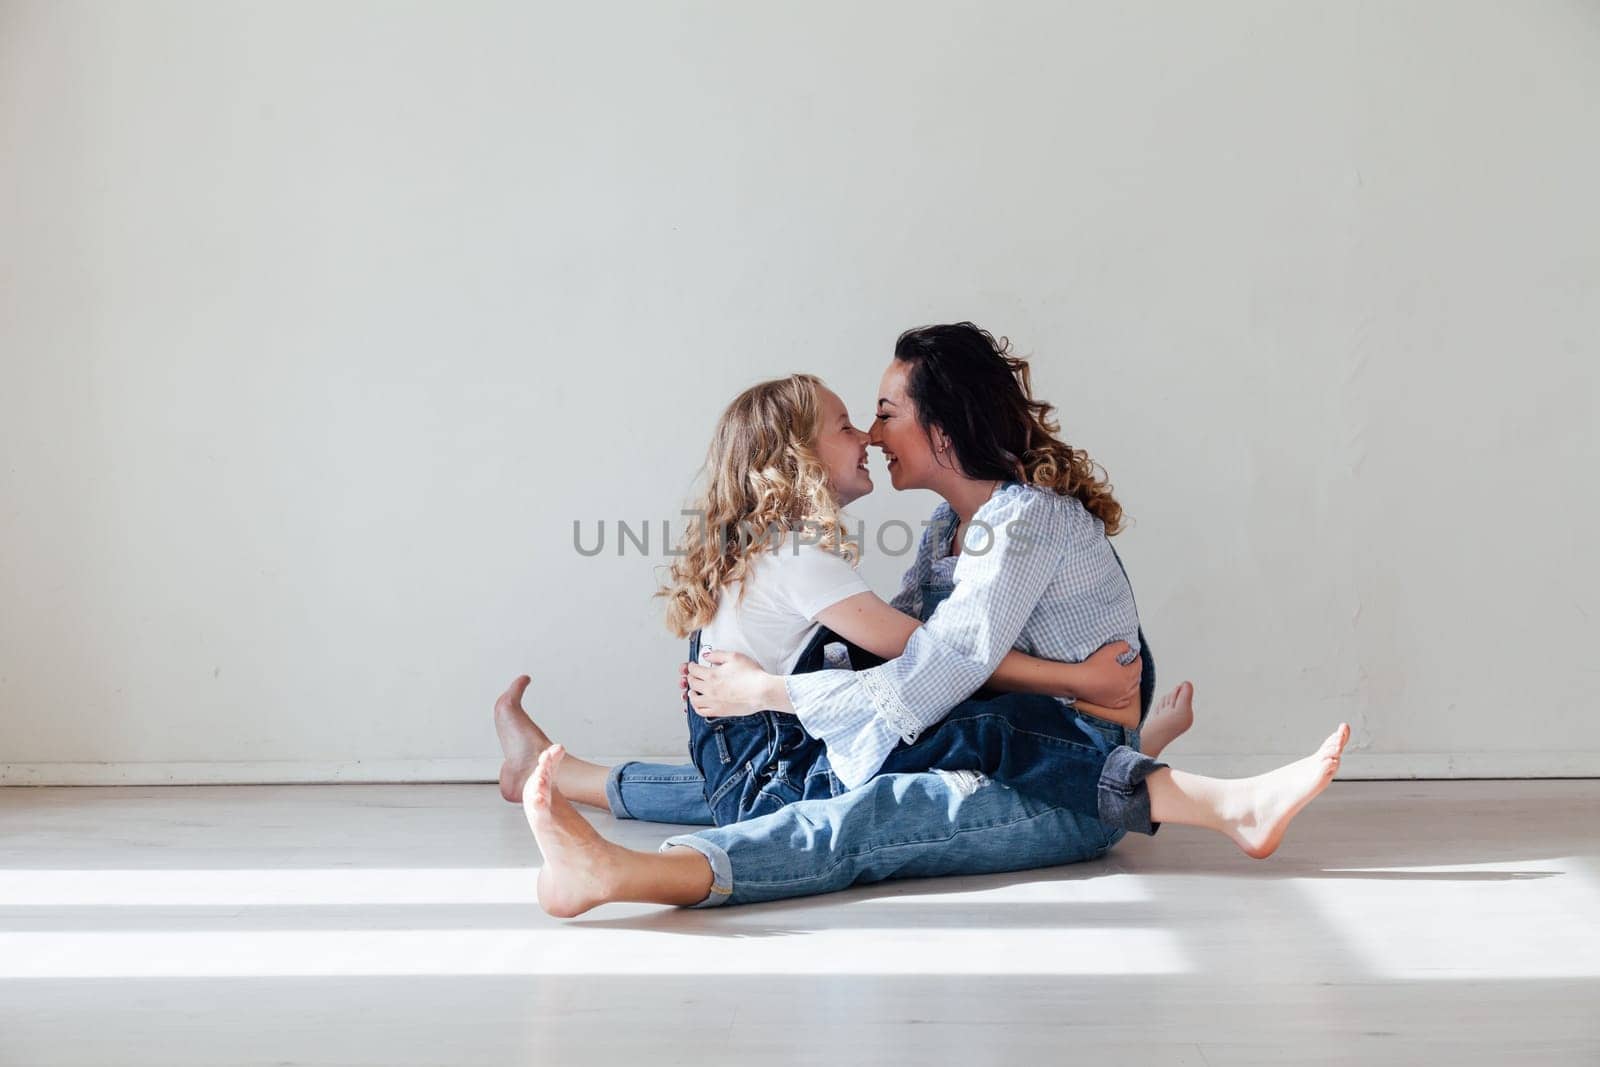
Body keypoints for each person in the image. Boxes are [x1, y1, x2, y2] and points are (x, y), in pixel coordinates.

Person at [503, 323, 1348, 917]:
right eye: (858, 418)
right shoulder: (951, 529)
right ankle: (569, 776)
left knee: (853, 804)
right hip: (1054, 743)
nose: (872, 433)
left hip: (1052, 778)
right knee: (813, 766)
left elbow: (937, 670)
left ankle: (638, 874)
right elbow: (909, 650)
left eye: (885, 411)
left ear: (941, 427)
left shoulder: (1021, 520)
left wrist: (774, 689)